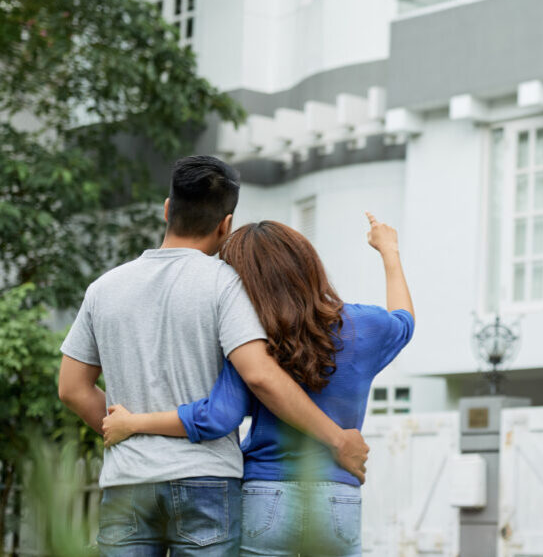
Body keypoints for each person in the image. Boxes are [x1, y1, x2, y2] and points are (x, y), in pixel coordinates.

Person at [58, 156, 369, 556]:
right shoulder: (227, 285)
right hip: (206, 480)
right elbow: (259, 375)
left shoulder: (104, 288)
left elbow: (71, 388)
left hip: (127, 479)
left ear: (167, 209)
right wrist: (337, 439)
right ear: (226, 225)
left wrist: (130, 429)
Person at [100, 213, 414, 556]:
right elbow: (404, 321)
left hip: (265, 496)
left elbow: (217, 417)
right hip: (337, 494)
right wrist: (389, 251)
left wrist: (133, 423)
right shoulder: (363, 326)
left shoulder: (252, 341)